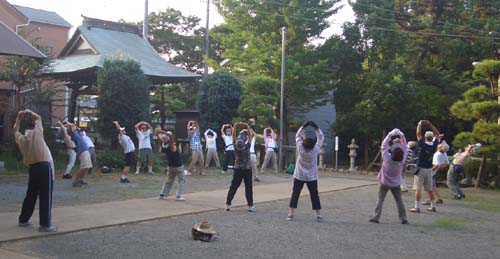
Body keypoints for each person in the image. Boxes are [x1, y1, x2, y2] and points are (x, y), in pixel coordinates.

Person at [15, 110, 57, 232]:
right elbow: (38, 117)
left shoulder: (21, 139)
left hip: (32, 168)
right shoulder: (37, 133)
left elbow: (15, 131)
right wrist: (29, 112)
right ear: (34, 127)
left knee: (31, 194)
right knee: (45, 195)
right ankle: (45, 225)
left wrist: (19, 118)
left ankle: (23, 219)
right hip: (44, 166)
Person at [286, 121, 324, 222]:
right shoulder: (315, 150)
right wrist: (316, 127)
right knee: (314, 194)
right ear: (313, 144)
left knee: (295, 193)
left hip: (299, 175)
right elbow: (321, 137)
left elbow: (297, 136)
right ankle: (318, 215)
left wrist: (303, 126)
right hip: (311, 176)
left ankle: (290, 214)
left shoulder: (300, 149)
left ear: (304, 143)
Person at [369, 129, 409, 224]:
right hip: (396, 183)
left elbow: (384, 145)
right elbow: (406, 148)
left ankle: (376, 217)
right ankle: (403, 218)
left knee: (380, 200)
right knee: (399, 201)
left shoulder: (387, 159)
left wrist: (390, 134)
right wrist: (402, 136)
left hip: (384, 182)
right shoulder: (402, 161)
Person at [410, 120, 441, 213]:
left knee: (418, 188)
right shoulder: (435, 144)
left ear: (425, 137)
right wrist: (430, 124)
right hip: (429, 169)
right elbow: (438, 134)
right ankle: (432, 206)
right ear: (432, 137)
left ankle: (416, 207)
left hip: (420, 168)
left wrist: (419, 124)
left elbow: (418, 133)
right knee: (430, 189)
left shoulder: (422, 144)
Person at [225, 122, 256, 212]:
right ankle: (250, 206)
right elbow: (250, 137)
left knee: (233, 187)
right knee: (248, 188)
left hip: (238, 168)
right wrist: (247, 126)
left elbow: (234, 136)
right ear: (244, 140)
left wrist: (235, 126)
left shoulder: (235, 145)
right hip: (247, 169)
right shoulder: (247, 147)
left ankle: (228, 204)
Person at [156, 129, 186, 201]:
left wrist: (158, 134)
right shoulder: (171, 145)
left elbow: (161, 140)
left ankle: (162, 194)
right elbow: (171, 136)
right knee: (182, 180)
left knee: (169, 180)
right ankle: (178, 196)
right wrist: (162, 132)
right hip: (178, 166)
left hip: (170, 166)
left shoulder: (163, 145)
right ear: (168, 138)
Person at [67, 122, 92, 187]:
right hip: (83, 152)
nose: (75, 127)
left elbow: (77, 128)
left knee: (86, 167)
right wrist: (69, 124)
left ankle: (81, 180)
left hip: (86, 151)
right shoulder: (73, 135)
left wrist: (74, 126)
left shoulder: (77, 133)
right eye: (74, 127)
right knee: (83, 168)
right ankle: (75, 181)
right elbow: (72, 128)